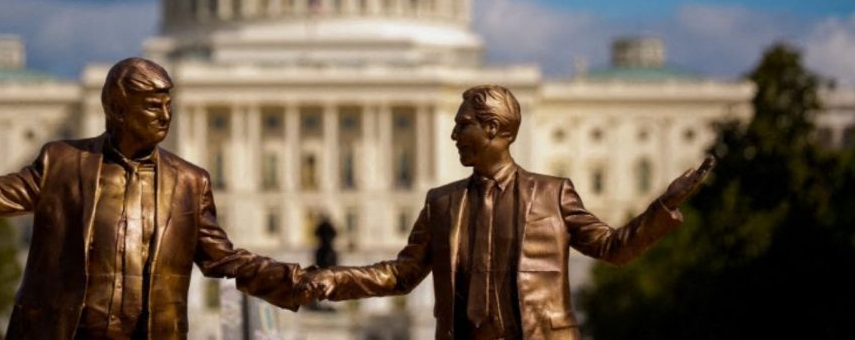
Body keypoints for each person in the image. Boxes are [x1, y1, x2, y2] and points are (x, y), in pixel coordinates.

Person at [0, 57, 308, 340]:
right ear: (119, 109)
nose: (166, 117)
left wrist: (320, 282)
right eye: (153, 106)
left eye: (169, 105)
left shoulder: (188, 182)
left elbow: (228, 262)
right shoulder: (63, 162)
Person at [300, 84, 715, 340]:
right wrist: (330, 279)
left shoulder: (553, 194)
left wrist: (664, 206)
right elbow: (401, 274)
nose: (453, 135)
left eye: (463, 125)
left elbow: (614, 248)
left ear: (494, 129)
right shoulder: (442, 203)